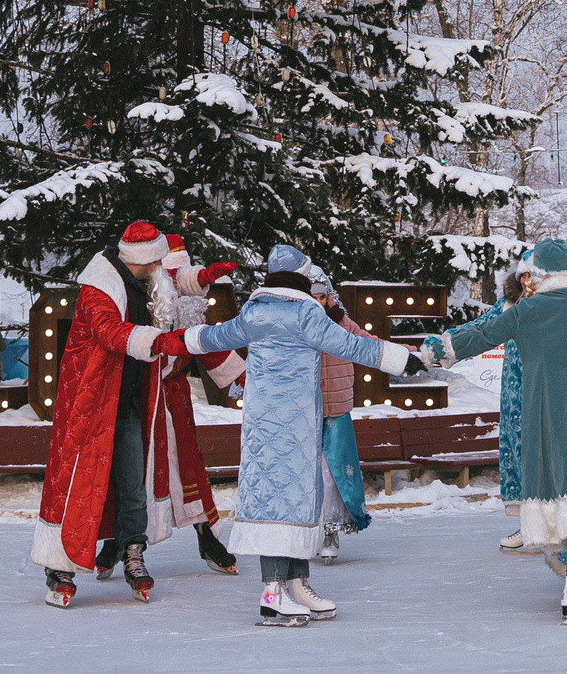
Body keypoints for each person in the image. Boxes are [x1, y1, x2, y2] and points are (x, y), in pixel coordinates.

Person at [164, 244, 419, 626]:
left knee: (284, 497)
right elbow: (350, 344)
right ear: (302, 276)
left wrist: (173, 339)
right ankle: (273, 592)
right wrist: (401, 359)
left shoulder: (254, 311)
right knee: (286, 499)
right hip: (294, 421)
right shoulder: (306, 313)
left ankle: (297, 583)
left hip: (262, 423)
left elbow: (216, 337)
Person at [416, 238, 567, 624]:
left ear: (537, 273)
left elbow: (481, 335)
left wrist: (437, 349)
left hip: (538, 412)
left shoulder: (526, 310)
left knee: (556, 490)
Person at [34, 221, 239, 608]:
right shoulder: (99, 288)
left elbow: (178, 279)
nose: (163, 264)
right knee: (77, 483)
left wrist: (204, 277)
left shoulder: (150, 276)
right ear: (141, 260)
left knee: (132, 483)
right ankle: (58, 566)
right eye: (157, 258)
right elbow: (111, 333)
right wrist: (163, 340)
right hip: (90, 405)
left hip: (127, 404)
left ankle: (133, 552)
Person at [163, 234, 244, 574]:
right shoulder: (138, 305)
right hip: (137, 399)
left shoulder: (188, 314)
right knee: (129, 468)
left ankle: (206, 537)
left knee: (188, 468)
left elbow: (205, 342)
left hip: (174, 397)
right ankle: (116, 543)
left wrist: (243, 377)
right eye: (176, 280)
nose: (185, 292)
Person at [307, 265, 374, 565]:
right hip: (305, 411)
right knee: (309, 476)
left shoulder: (342, 324)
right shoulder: (298, 325)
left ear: (330, 297)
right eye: (313, 298)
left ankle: (331, 531)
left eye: (323, 297)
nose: (319, 303)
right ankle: (306, 532)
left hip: (335, 410)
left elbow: (367, 344)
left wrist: (400, 355)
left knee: (332, 476)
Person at [491, 261, 535, 553]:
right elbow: (483, 330)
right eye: (525, 276)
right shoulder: (507, 306)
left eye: (535, 276)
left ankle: (550, 527)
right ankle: (529, 525)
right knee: (517, 455)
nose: (530, 282)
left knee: (541, 458)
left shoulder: (555, 307)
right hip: (513, 395)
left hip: (542, 390)